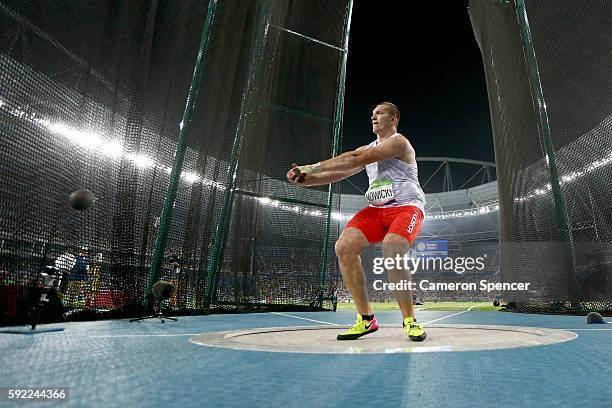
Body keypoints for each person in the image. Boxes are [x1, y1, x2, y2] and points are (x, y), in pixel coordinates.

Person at [287, 102, 427, 341]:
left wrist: (310, 166)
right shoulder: (368, 148)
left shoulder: (399, 142)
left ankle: (409, 320)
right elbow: (341, 172)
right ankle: (366, 320)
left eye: (379, 113)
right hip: (377, 210)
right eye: (372, 114)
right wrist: (306, 179)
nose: (373, 117)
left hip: (406, 207)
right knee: (344, 246)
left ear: (394, 119)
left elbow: (353, 158)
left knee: (392, 247)